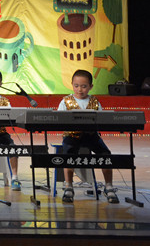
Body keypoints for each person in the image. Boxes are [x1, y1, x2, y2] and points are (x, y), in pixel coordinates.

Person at [57, 69, 119, 204]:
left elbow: (101, 119)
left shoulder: (95, 101)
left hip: (91, 136)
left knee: (105, 154)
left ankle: (109, 186)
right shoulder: (65, 101)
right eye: (76, 86)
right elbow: (59, 119)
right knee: (68, 155)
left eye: (84, 86)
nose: (80, 89)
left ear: (91, 86)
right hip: (72, 136)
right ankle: (69, 186)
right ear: (72, 85)